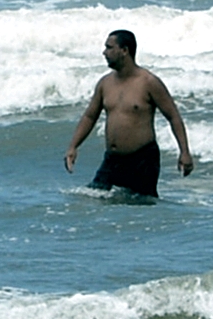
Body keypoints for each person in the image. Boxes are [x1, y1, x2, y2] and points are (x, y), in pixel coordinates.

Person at [63, 27, 193, 196]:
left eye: (109, 47)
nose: (104, 52)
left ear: (124, 50)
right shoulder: (105, 83)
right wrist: (73, 147)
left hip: (142, 160)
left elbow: (173, 117)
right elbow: (90, 116)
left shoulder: (148, 82)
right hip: (112, 160)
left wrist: (184, 152)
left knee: (141, 207)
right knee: (95, 198)